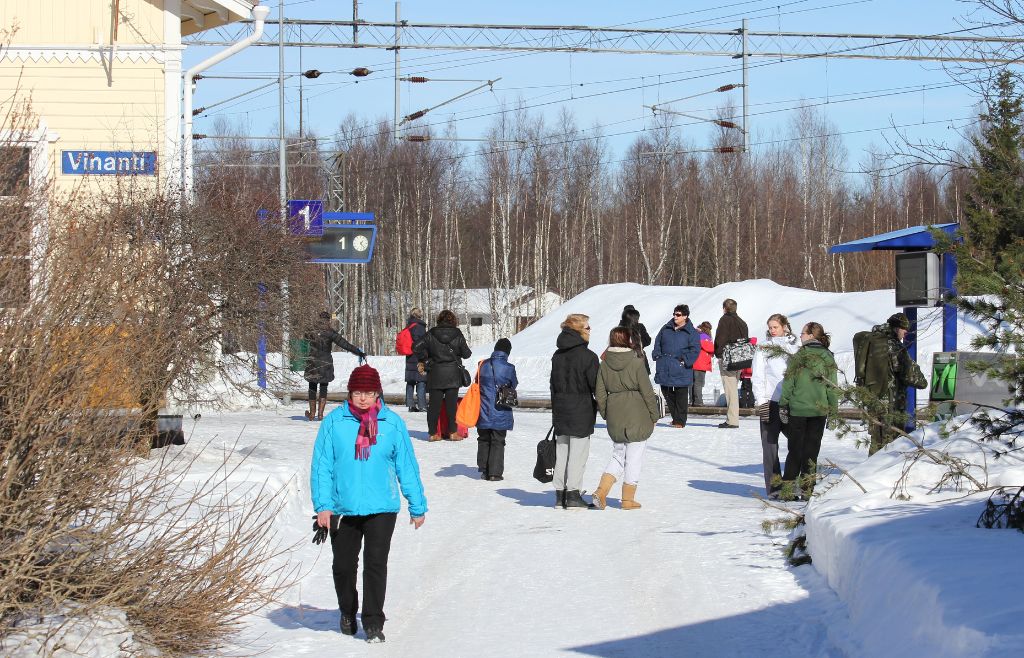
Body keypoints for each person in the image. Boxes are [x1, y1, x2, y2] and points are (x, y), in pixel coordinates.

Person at [310, 364, 427, 644]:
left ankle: (373, 621)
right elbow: (322, 466)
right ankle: (348, 611)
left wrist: (417, 504)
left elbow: (406, 466)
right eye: (358, 392)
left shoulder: (392, 423)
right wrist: (323, 506)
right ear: (350, 393)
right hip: (342, 508)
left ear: (378, 393)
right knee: (344, 566)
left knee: (376, 565)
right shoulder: (334, 423)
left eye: (369, 392)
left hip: (381, 507)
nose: (363, 398)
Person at [592, 327, 661, 510]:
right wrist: (654, 415)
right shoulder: (636, 362)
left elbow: (600, 393)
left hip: (615, 412)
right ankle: (628, 500)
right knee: (634, 457)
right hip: (637, 412)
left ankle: (601, 491)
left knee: (618, 455)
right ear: (628, 340)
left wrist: (606, 413)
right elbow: (647, 391)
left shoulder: (604, 364)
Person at [778, 322, 839, 499]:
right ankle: (807, 489)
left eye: (803, 333)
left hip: (798, 409)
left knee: (795, 451)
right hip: (818, 412)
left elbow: (788, 383)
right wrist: (833, 411)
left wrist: (783, 404)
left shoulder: (799, 356)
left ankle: (787, 490)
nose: (801, 336)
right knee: (812, 451)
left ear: (811, 335)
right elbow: (832, 387)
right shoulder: (828, 357)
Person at [854, 312, 929, 455]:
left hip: (874, 400)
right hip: (891, 405)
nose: (906, 332)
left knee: (877, 442)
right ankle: (881, 475)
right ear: (896, 328)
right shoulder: (893, 346)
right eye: (904, 328)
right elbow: (910, 375)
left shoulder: (872, 341)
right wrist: (922, 381)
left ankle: (868, 473)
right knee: (889, 446)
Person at [550, 313, 599, 510]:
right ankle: (572, 495)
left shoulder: (557, 355)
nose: (590, 330)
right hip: (581, 409)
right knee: (578, 454)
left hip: (561, 408)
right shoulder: (588, 356)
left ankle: (559, 494)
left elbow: (552, 384)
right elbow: (596, 385)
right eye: (587, 327)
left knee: (562, 453)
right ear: (579, 330)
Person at [751, 314, 800, 497]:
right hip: (770, 402)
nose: (772, 331)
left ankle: (791, 484)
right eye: (770, 327)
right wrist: (761, 401)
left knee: (796, 444)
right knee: (770, 446)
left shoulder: (795, 347)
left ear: (785, 326)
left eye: (775, 327)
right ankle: (774, 487)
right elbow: (758, 376)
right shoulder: (764, 347)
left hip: (791, 403)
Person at [413, 309, 472, 441]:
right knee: (451, 406)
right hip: (452, 374)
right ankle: (452, 432)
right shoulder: (457, 334)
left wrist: (426, 359)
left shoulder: (431, 333)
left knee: (434, 406)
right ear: (453, 321)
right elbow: (467, 354)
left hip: (436, 373)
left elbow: (415, 347)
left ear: (439, 320)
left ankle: (433, 433)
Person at [303, 311, 366, 421]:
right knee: (323, 386)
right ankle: (321, 414)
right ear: (328, 320)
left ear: (319, 319)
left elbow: (305, 339)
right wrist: (358, 352)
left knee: (312, 386)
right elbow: (345, 344)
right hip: (326, 362)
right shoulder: (331, 332)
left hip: (313, 361)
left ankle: (312, 414)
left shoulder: (311, 330)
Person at [652, 304, 701, 428]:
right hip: (665, 365)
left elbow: (695, 349)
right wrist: (657, 355)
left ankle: (680, 421)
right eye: (674, 314)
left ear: (685, 316)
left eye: (678, 315)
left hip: (681, 368)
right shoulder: (666, 328)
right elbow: (657, 342)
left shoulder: (691, 332)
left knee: (681, 395)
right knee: (666, 392)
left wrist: (684, 360)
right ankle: (675, 418)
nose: (675, 316)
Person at [476, 338, 518, 481]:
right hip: (501, 409)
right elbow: (513, 384)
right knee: (498, 440)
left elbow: (477, 382)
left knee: (483, 438)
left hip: (483, 407)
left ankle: (484, 469)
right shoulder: (509, 367)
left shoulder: (482, 364)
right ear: (507, 352)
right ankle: (495, 473)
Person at [714, 298, 750, 429]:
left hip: (728, 358)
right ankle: (733, 418)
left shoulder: (724, 320)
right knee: (733, 388)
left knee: (730, 390)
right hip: (740, 358)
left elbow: (720, 339)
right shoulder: (742, 322)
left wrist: (718, 354)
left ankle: (732, 420)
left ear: (724, 308)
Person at [402, 308, 428, 413]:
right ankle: (422, 405)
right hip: (419, 357)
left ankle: (410, 405)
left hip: (409, 356)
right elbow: (421, 342)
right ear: (420, 315)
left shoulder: (409, 326)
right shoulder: (420, 327)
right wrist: (425, 355)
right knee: (421, 380)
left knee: (411, 381)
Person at [620, 305, 652, 373]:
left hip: (625, 361)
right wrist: (639, 345)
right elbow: (648, 341)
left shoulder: (619, 328)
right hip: (639, 357)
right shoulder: (640, 326)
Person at [691, 321, 714, 406]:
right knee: (699, 382)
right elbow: (710, 347)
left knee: (694, 382)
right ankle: (698, 402)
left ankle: (693, 400)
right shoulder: (703, 336)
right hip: (700, 363)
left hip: (696, 362)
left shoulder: (697, 334)